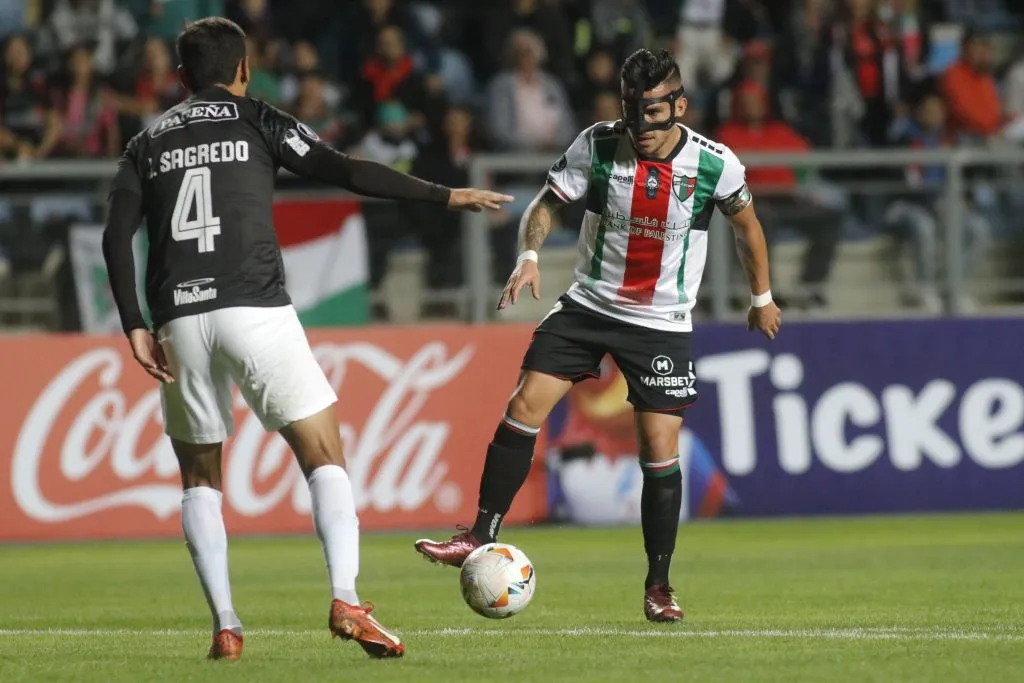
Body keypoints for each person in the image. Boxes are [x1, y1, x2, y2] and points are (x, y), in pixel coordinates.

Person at [101, 17, 510, 662]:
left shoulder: (145, 142)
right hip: (255, 308)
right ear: (244, 69)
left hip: (178, 319)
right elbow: (344, 170)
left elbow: (114, 235)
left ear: (180, 77)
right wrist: (443, 195)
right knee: (323, 454)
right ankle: (346, 599)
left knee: (199, 478)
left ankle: (226, 624)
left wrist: (133, 322)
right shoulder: (258, 119)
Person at [415, 48, 780, 622]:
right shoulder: (597, 144)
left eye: (654, 115)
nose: (642, 127)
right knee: (524, 404)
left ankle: (658, 586)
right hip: (589, 304)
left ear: (680, 107)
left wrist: (761, 298)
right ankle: (480, 535)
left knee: (658, 447)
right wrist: (529, 256)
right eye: (633, 113)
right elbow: (546, 205)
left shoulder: (716, 164)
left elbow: (748, 229)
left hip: (660, 320)